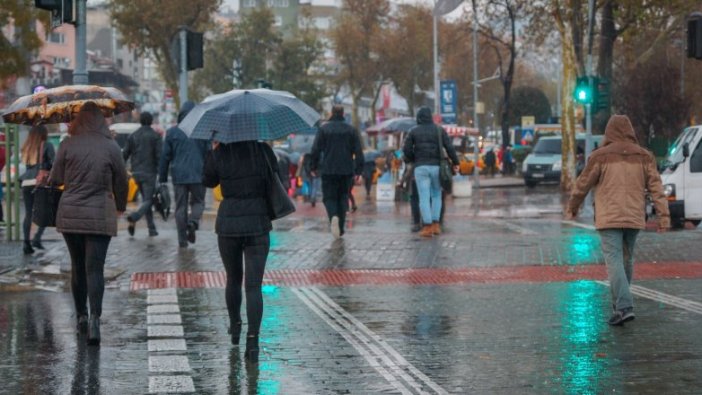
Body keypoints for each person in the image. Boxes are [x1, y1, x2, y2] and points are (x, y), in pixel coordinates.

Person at [565, 114, 670, 326]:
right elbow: (657, 189)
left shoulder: (600, 156)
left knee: (613, 259)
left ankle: (623, 306)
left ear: (609, 131)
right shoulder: (644, 156)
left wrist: (572, 207)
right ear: (630, 130)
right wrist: (663, 217)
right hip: (633, 216)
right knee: (626, 259)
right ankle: (620, 307)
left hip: (609, 216)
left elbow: (582, 185)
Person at [49, 101, 129, 345]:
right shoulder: (111, 146)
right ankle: (95, 320)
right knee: (95, 269)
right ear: (100, 120)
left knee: (77, 266)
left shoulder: (67, 144)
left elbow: (56, 179)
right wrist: (120, 207)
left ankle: (81, 317)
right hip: (99, 214)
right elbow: (122, 181)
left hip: (71, 213)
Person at [203, 139, 278, 362]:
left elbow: (207, 180)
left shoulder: (221, 153)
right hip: (257, 222)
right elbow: (275, 178)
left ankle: (235, 326)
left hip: (228, 223)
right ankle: (253, 341)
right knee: (253, 286)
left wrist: (213, 152)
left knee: (233, 279)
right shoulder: (263, 150)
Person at [402, 107, 459, 238]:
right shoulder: (439, 130)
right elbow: (449, 147)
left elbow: (406, 149)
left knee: (423, 197)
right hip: (437, 167)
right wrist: (456, 162)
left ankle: (427, 226)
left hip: (420, 167)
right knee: (436, 195)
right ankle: (435, 225)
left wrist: (413, 159)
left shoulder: (413, 131)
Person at [158, 102, 208, 248]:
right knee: (199, 202)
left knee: (180, 207)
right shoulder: (202, 131)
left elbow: (165, 156)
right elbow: (209, 153)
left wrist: (162, 178)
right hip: (199, 174)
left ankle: (182, 240)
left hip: (179, 176)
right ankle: (193, 222)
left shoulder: (172, 132)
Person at [309, 105, 364, 238]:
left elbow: (315, 149)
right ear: (343, 114)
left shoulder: (324, 129)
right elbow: (358, 151)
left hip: (328, 169)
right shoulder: (351, 130)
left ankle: (333, 216)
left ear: (331, 113)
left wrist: (313, 166)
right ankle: (340, 227)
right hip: (346, 169)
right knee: (343, 197)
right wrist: (358, 171)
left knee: (329, 197)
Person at [123, 112, 162, 237]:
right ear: (151, 121)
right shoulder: (155, 136)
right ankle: (134, 217)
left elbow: (124, 155)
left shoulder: (133, 136)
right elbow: (159, 157)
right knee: (148, 200)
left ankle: (152, 229)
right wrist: (161, 173)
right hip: (149, 173)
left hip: (136, 173)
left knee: (146, 201)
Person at [19, 125, 55, 254]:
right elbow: (53, 163)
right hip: (40, 181)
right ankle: (37, 238)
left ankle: (26, 243)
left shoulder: (26, 146)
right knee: (47, 212)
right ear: (43, 133)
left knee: (29, 213)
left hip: (26, 181)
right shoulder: (47, 145)